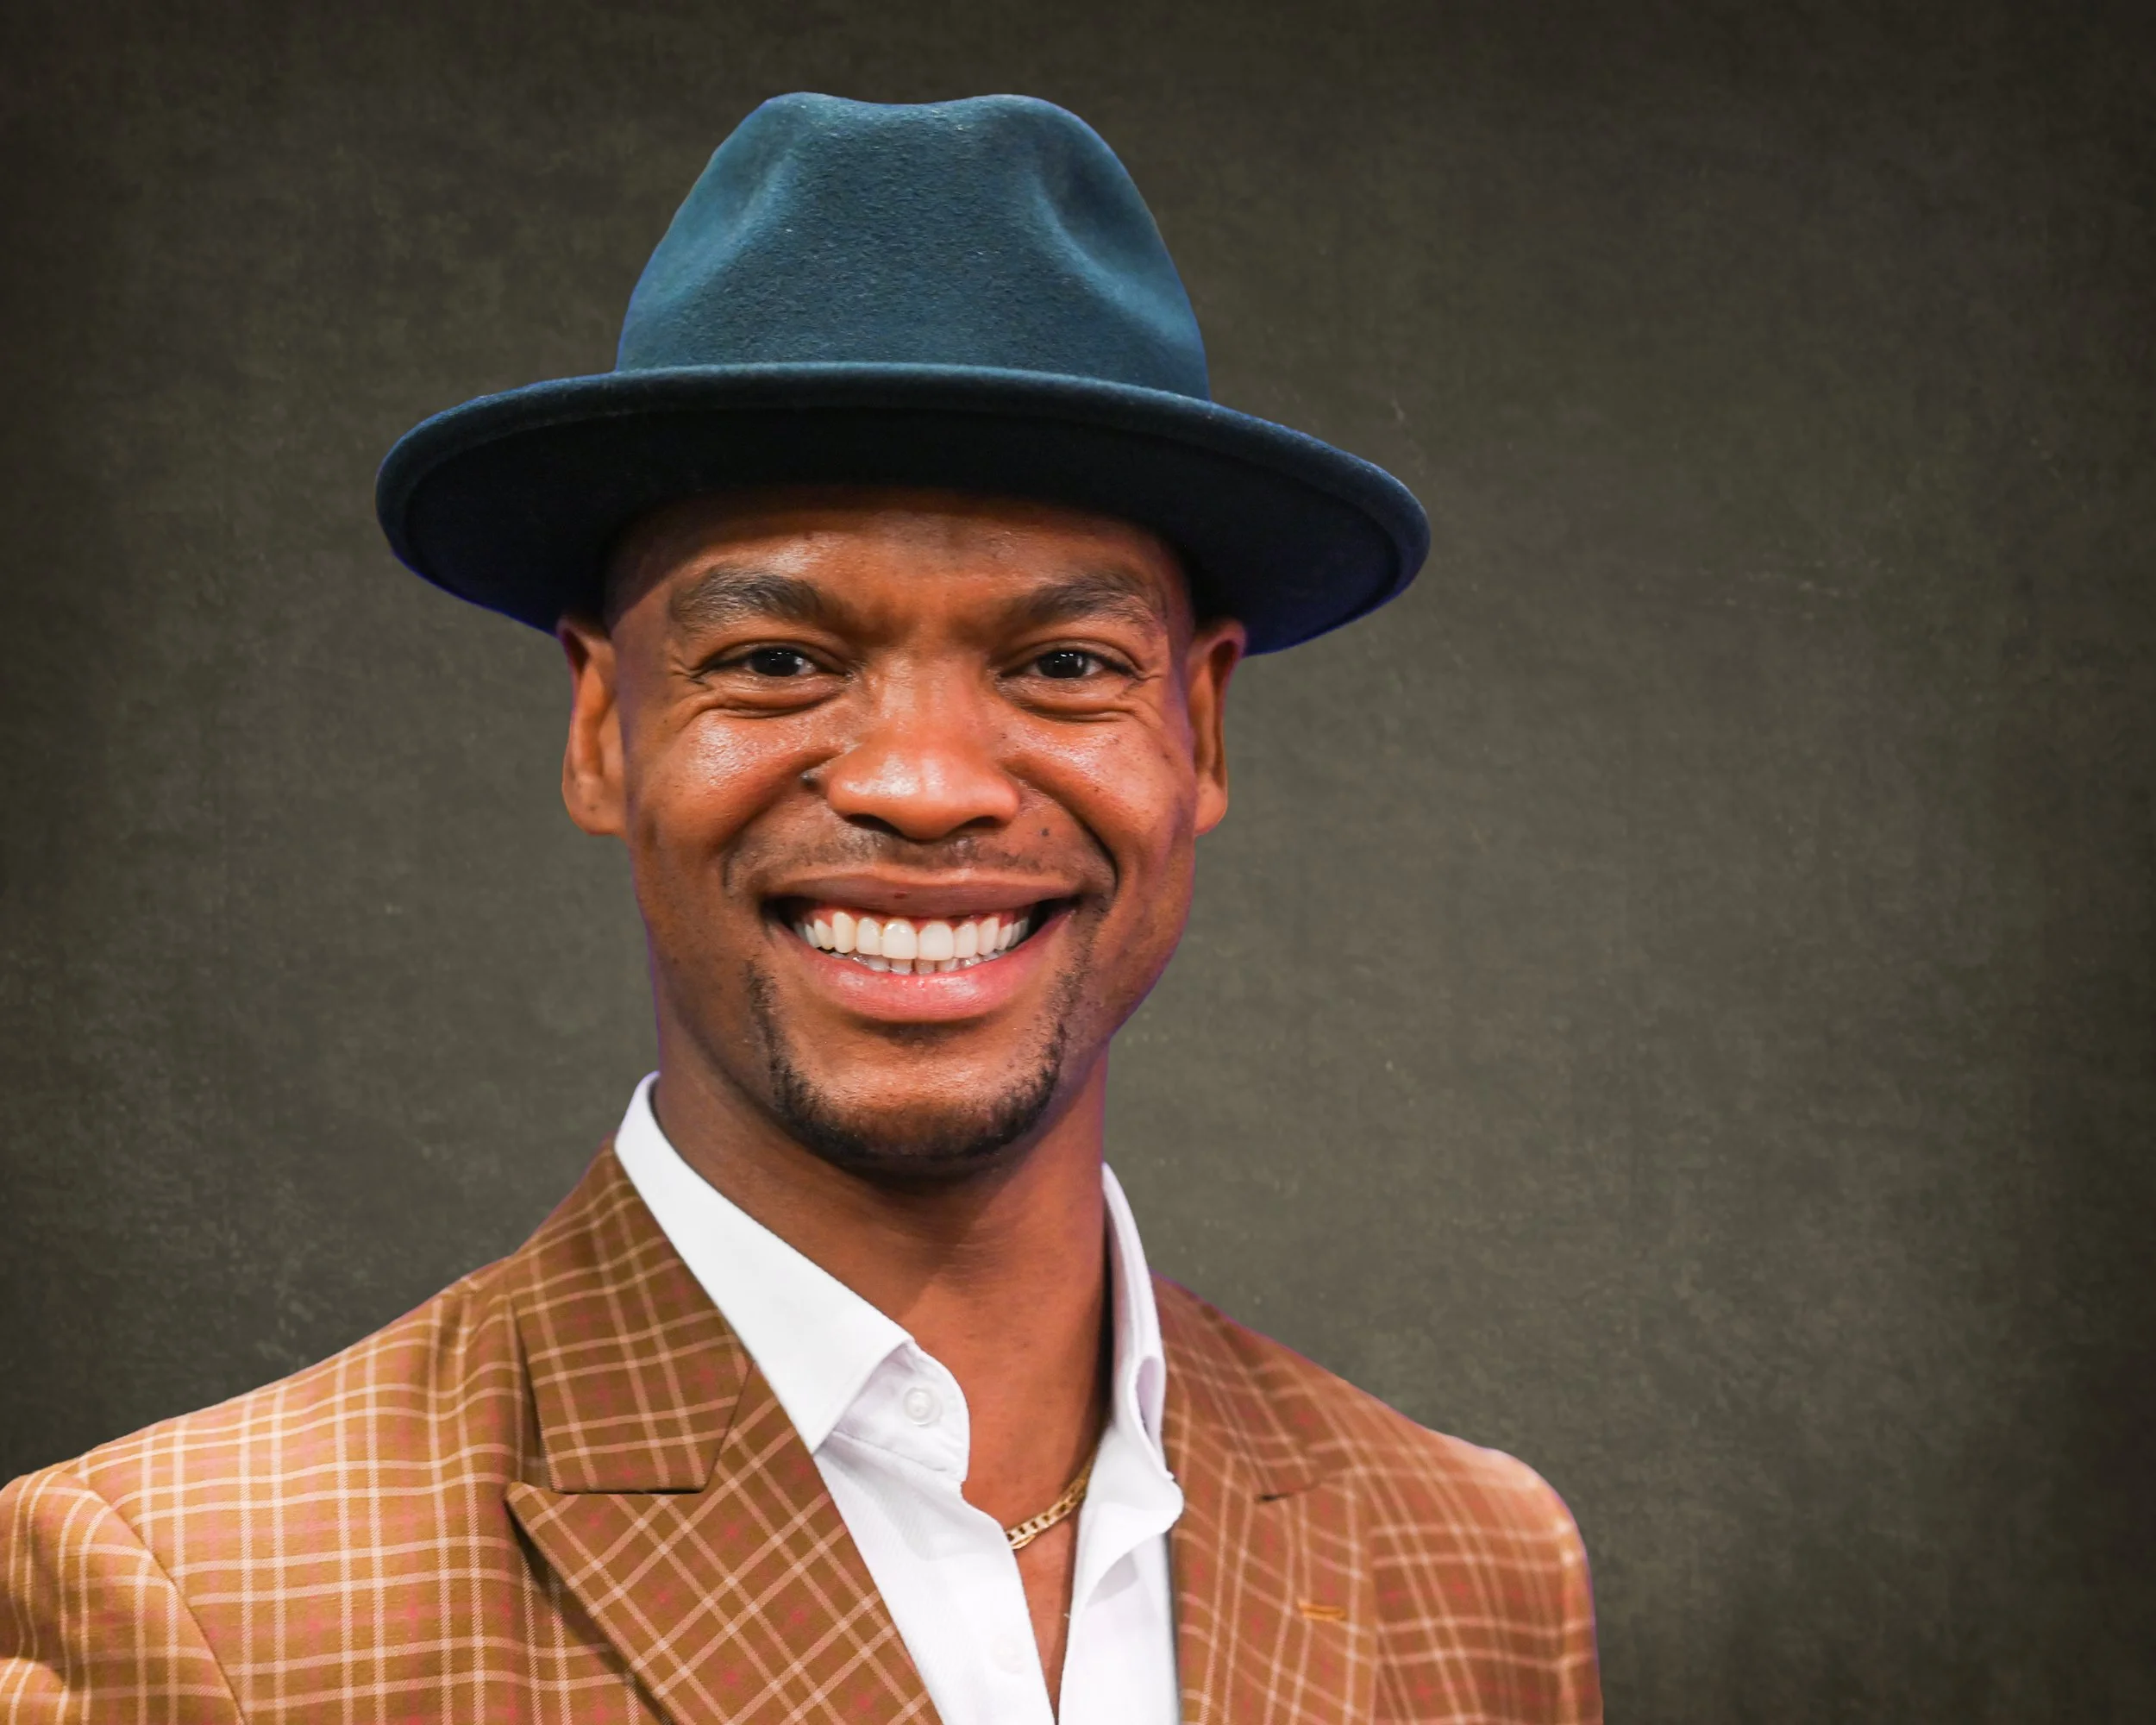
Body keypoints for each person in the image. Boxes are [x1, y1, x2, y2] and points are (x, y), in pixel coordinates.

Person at [0, 94, 1599, 1724]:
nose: (926, 784)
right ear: (602, 727)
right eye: (777, 660)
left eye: (1064, 664)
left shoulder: (1475, 1566)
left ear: (1200, 730)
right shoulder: (205, 1604)